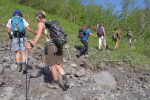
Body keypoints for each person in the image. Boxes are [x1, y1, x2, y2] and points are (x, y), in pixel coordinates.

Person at [26, 10, 69, 91]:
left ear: (38, 17)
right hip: (58, 45)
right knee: (58, 65)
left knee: (52, 65)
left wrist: (32, 44)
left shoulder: (41, 23)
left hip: (51, 46)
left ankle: (55, 83)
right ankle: (66, 80)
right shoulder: (50, 22)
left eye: (36, 18)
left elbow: (38, 35)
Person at [6, 10, 36, 74]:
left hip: (15, 37)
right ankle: (24, 65)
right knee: (23, 51)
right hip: (22, 38)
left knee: (17, 52)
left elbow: (8, 30)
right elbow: (29, 29)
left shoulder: (10, 20)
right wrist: (35, 32)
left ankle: (18, 66)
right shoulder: (22, 19)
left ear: (14, 14)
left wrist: (10, 35)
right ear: (20, 14)